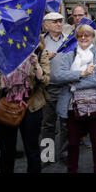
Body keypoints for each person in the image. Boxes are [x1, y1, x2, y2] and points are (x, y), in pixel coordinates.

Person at [0, 37, 50, 173]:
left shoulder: (40, 53)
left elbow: (45, 80)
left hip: (31, 107)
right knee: (6, 150)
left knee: (32, 149)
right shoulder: (9, 53)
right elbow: (0, 82)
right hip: (7, 105)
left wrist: (36, 65)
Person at [51, 24, 96, 173]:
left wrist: (75, 84)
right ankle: (72, 170)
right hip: (72, 107)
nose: (84, 38)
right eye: (80, 35)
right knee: (72, 143)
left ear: (92, 38)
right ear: (77, 38)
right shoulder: (69, 56)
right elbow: (59, 76)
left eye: (87, 35)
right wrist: (81, 74)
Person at [40, 12, 69, 166]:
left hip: (65, 88)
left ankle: (65, 154)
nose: (59, 24)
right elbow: (34, 63)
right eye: (55, 21)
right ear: (46, 25)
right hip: (47, 88)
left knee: (66, 123)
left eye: (60, 21)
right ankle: (47, 156)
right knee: (48, 124)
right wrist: (44, 57)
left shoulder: (69, 40)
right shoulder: (41, 42)